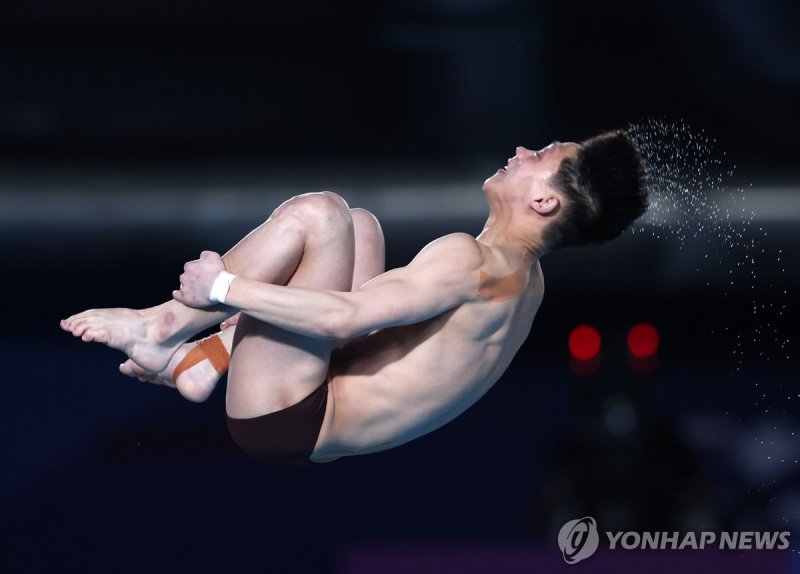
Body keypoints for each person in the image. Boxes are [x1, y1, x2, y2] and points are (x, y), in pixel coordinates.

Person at [60, 130, 649, 465]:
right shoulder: (526, 283)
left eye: (539, 157)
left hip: (291, 413)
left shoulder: (471, 262)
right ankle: (203, 361)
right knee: (358, 226)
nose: (521, 151)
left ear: (544, 204)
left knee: (319, 214)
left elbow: (345, 315)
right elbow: (365, 335)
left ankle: (162, 329)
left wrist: (221, 288)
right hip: (319, 411)